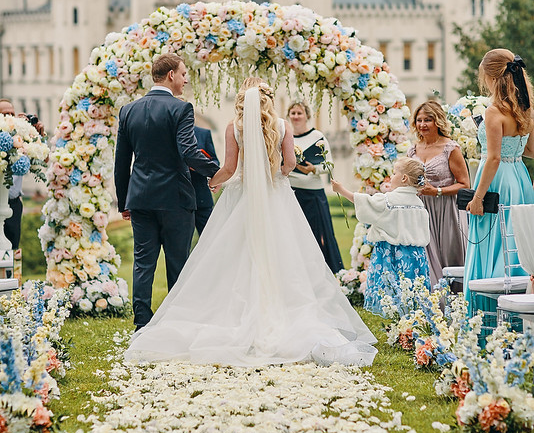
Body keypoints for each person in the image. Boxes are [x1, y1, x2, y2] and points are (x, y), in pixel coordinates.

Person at [124, 77, 377, 367]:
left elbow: (230, 168)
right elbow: (291, 164)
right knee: (284, 254)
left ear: (243, 101)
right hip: (276, 197)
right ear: (268, 98)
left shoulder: (235, 127)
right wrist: (278, 175)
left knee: (233, 255)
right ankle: (281, 310)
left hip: (241, 197)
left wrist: (213, 181)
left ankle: (232, 313)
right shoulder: (281, 126)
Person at [114, 54, 220, 330]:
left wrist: (124, 201)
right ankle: (175, 323)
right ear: (171, 75)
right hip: (175, 199)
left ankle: (141, 323)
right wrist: (217, 171)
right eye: (184, 74)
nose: (186, 80)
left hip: (140, 199)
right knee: (178, 263)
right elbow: (188, 152)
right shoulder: (181, 109)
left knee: (143, 263)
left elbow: (121, 162)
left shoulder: (128, 110)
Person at [464, 50, 534, 319]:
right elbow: (529, 150)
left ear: (491, 77)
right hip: (519, 178)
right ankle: (520, 312)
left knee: (494, 240)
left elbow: (493, 158)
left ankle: (489, 316)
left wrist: (478, 197)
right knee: (519, 242)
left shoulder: (494, 111)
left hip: (498, 182)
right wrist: (512, 150)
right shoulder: (525, 108)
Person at [332, 158, 431, 316]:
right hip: (414, 257)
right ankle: (411, 318)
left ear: (404, 178)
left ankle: (394, 318)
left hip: (389, 254)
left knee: (389, 290)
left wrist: (341, 189)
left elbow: (364, 203)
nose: (391, 177)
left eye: (394, 173)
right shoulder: (419, 204)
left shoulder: (388, 200)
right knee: (411, 289)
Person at [408, 100, 470, 289]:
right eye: (419, 120)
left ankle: (458, 304)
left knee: (450, 257)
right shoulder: (413, 150)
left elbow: (465, 184)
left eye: (428, 120)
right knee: (426, 256)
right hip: (421, 211)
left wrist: (437, 191)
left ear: (438, 122)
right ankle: (434, 304)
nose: (422, 125)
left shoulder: (450, 149)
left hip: (446, 210)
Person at [287, 101, 343, 274]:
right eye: (293, 113)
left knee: (321, 234)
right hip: (292, 192)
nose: (296, 116)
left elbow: (329, 165)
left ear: (307, 116)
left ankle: (329, 271)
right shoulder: (285, 136)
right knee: (294, 235)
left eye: (299, 113)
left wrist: (314, 169)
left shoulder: (317, 137)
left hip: (314, 194)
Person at [0, 99, 46, 250]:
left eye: (11, 114)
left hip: (13, 204)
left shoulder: (21, 137)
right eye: (4, 114)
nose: (9, 117)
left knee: (12, 249)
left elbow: (44, 159)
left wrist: (38, 136)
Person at [191, 123, 220, 236]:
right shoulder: (169, 133)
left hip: (201, 196)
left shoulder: (204, 133)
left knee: (210, 238)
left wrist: (202, 165)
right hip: (177, 199)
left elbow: (215, 161)